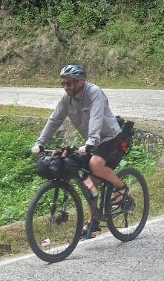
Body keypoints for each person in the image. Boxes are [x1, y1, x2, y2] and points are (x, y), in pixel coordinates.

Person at [31, 64, 128, 234]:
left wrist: (91, 141)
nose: (65, 87)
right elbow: (54, 120)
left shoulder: (94, 92)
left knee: (95, 164)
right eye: (63, 84)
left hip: (110, 136)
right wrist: (40, 142)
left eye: (68, 83)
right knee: (89, 181)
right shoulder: (66, 100)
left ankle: (121, 188)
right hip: (92, 141)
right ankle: (94, 221)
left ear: (80, 82)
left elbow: (96, 118)